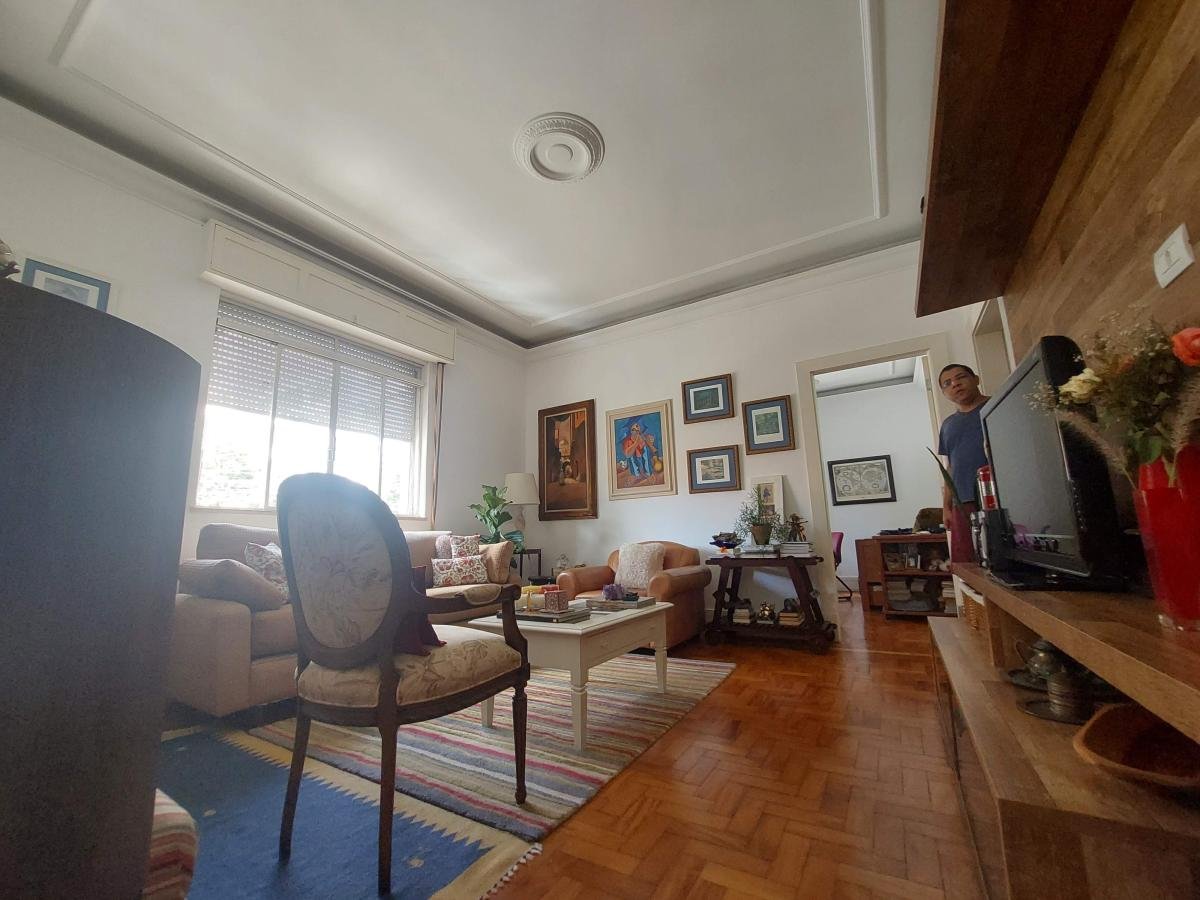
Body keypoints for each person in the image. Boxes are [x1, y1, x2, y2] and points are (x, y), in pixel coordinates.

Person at [937, 363, 989, 547]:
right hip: (962, 502)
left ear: (976, 379)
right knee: (968, 558)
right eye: (947, 383)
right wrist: (946, 506)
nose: (955, 384)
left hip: (996, 496)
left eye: (961, 377)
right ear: (944, 393)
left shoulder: (997, 405)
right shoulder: (948, 425)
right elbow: (951, 467)